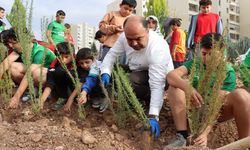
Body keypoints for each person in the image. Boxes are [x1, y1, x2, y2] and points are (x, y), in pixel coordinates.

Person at [164, 33, 250, 149]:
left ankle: (243, 145)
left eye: (212, 55)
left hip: (215, 113)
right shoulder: (196, 64)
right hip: (194, 109)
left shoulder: (227, 72)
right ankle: (182, 135)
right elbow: (171, 76)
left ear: (222, 54)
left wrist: (204, 133)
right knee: (175, 87)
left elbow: (217, 105)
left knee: (242, 95)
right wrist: (188, 88)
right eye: (204, 54)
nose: (208, 59)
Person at [100, 16, 174, 138]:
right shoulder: (125, 37)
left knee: (134, 81)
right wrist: (106, 72)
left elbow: (157, 85)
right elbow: (111, 55)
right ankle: (138, 101)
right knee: (116, 74)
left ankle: (150, 103)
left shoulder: (158, 47)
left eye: (138, 39)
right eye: (130, 39)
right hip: (138, 71)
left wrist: (154, 115)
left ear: (148, 31)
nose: (133, 43)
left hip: (162, 77)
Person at [0, 28, 56, 108]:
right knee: (11, 67)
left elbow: (29, 74)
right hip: (35, 75)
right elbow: (3, 65)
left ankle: (48, 93)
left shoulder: (39, 51)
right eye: (9, 43)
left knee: (35, 72)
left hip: (51, 79)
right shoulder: (19, 49)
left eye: (13, 43)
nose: (10, 46)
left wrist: (16, 97)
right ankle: (33, 90)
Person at [63, 48, 107, 113]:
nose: (84, 65)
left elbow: (90, 80)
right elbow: (82, 81)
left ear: (93, 60)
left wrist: (82, 93)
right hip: (88, 86)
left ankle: (103, 96)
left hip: (103, 84)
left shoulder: (97, 66)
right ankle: (92, 97)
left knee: (98, 80)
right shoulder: (80, 68)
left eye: (87, 62)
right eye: (81, 63)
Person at [40, 42, 75, 110]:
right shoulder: (53, 66)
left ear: (72, 55)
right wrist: (42, 100)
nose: (63, 60)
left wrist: (71, 99)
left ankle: (77, 97)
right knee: (59, 71)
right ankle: (63, 97)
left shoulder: (79, 62)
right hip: (63, 87)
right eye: (60, 57)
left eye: (66, 57)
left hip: (77, 86)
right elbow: (50, 83)